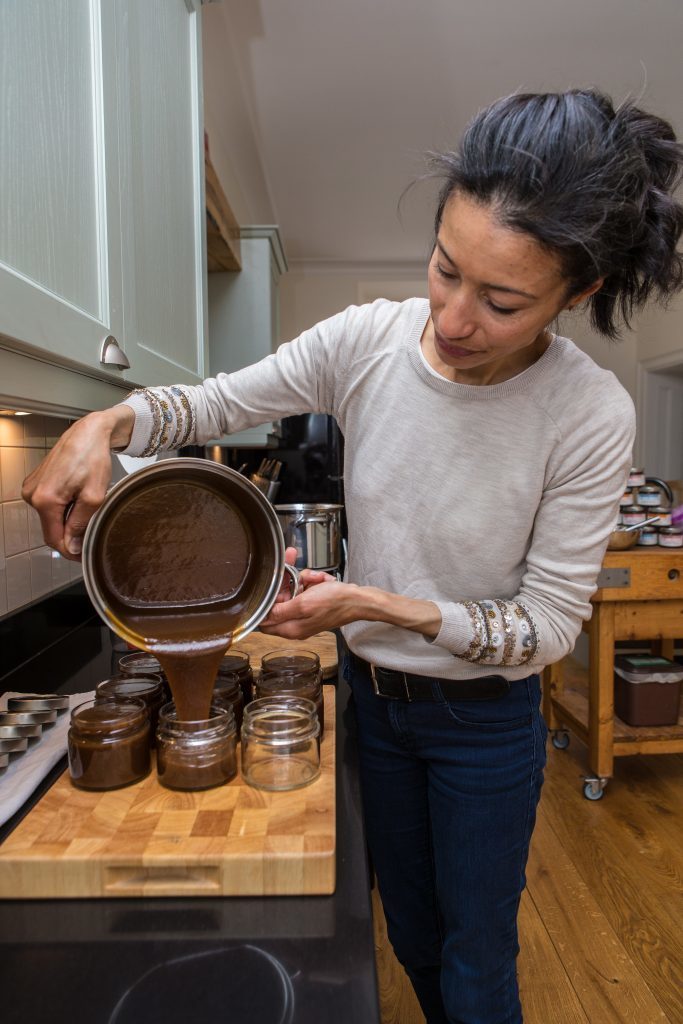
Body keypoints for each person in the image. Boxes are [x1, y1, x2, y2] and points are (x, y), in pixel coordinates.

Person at [23, 89, 683, 1023]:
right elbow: (212, 403)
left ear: (576, 294)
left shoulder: (588, 412)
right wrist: (109, 418)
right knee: (408, 929)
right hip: (371, 705)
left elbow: (545, 628)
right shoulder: (365, 341)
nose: (453, 318)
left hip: (484, 728)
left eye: (500, 301)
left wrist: (377, 604)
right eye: (444, 269)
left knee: (477, 953)